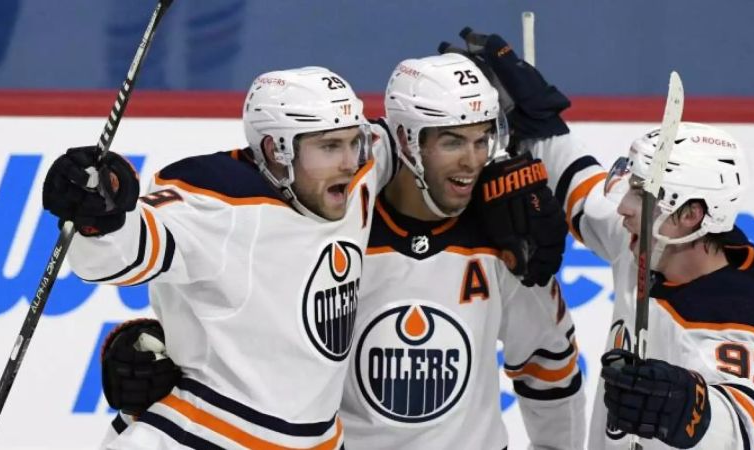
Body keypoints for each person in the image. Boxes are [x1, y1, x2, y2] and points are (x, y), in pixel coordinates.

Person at [98, 52, 585, 449]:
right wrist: (156, 347)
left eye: (483, 141)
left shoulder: (507, 236)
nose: (473, 160)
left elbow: (549, 365)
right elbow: (256, 317)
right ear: (406, 142)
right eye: (453, 141)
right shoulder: (333, 223)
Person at [467, 32, 754, 448]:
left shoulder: (745, 308)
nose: (623, 206)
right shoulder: (653, 240)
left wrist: (690, 411)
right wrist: (539, 124)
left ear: (690, 214)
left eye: (641, 191)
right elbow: (583, 195)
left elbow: (744, 427)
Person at [44, 66, 388, 449]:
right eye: (329, 147)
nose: (349, 161)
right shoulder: (217, 204)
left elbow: (407, 136)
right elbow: (115, 254)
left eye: (352, 142)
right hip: (205, 435)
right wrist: (98, 214)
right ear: (277, 149)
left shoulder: (356, 177)